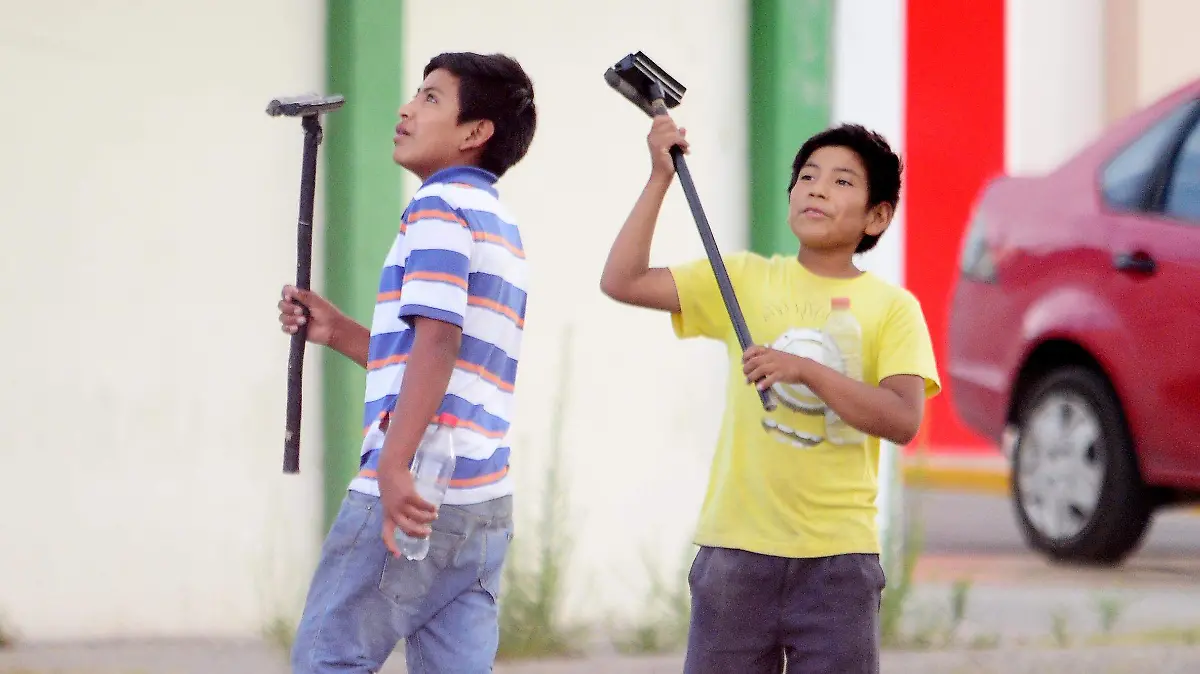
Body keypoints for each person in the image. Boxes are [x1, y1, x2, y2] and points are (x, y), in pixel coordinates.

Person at [599, 115, 940, 673]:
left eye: (842, 181)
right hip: (735, 554)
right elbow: (623, 279)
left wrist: (807, 371)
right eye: (807, 176)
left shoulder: (893, 308)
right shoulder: (746, 278)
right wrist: (660, 176)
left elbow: (904, 419)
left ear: (878, 216)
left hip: (838, 563)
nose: (818, 188)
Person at [276, 51, 536, 674]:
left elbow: (438, 344)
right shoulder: (498, 222)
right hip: (482, 499)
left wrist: (394, 468)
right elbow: (441, 354)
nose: (406, 108)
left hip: (416, 482)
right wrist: (337, 331)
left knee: (327, 659)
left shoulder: (436, 211)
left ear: (475, 133)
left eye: (430, 98)